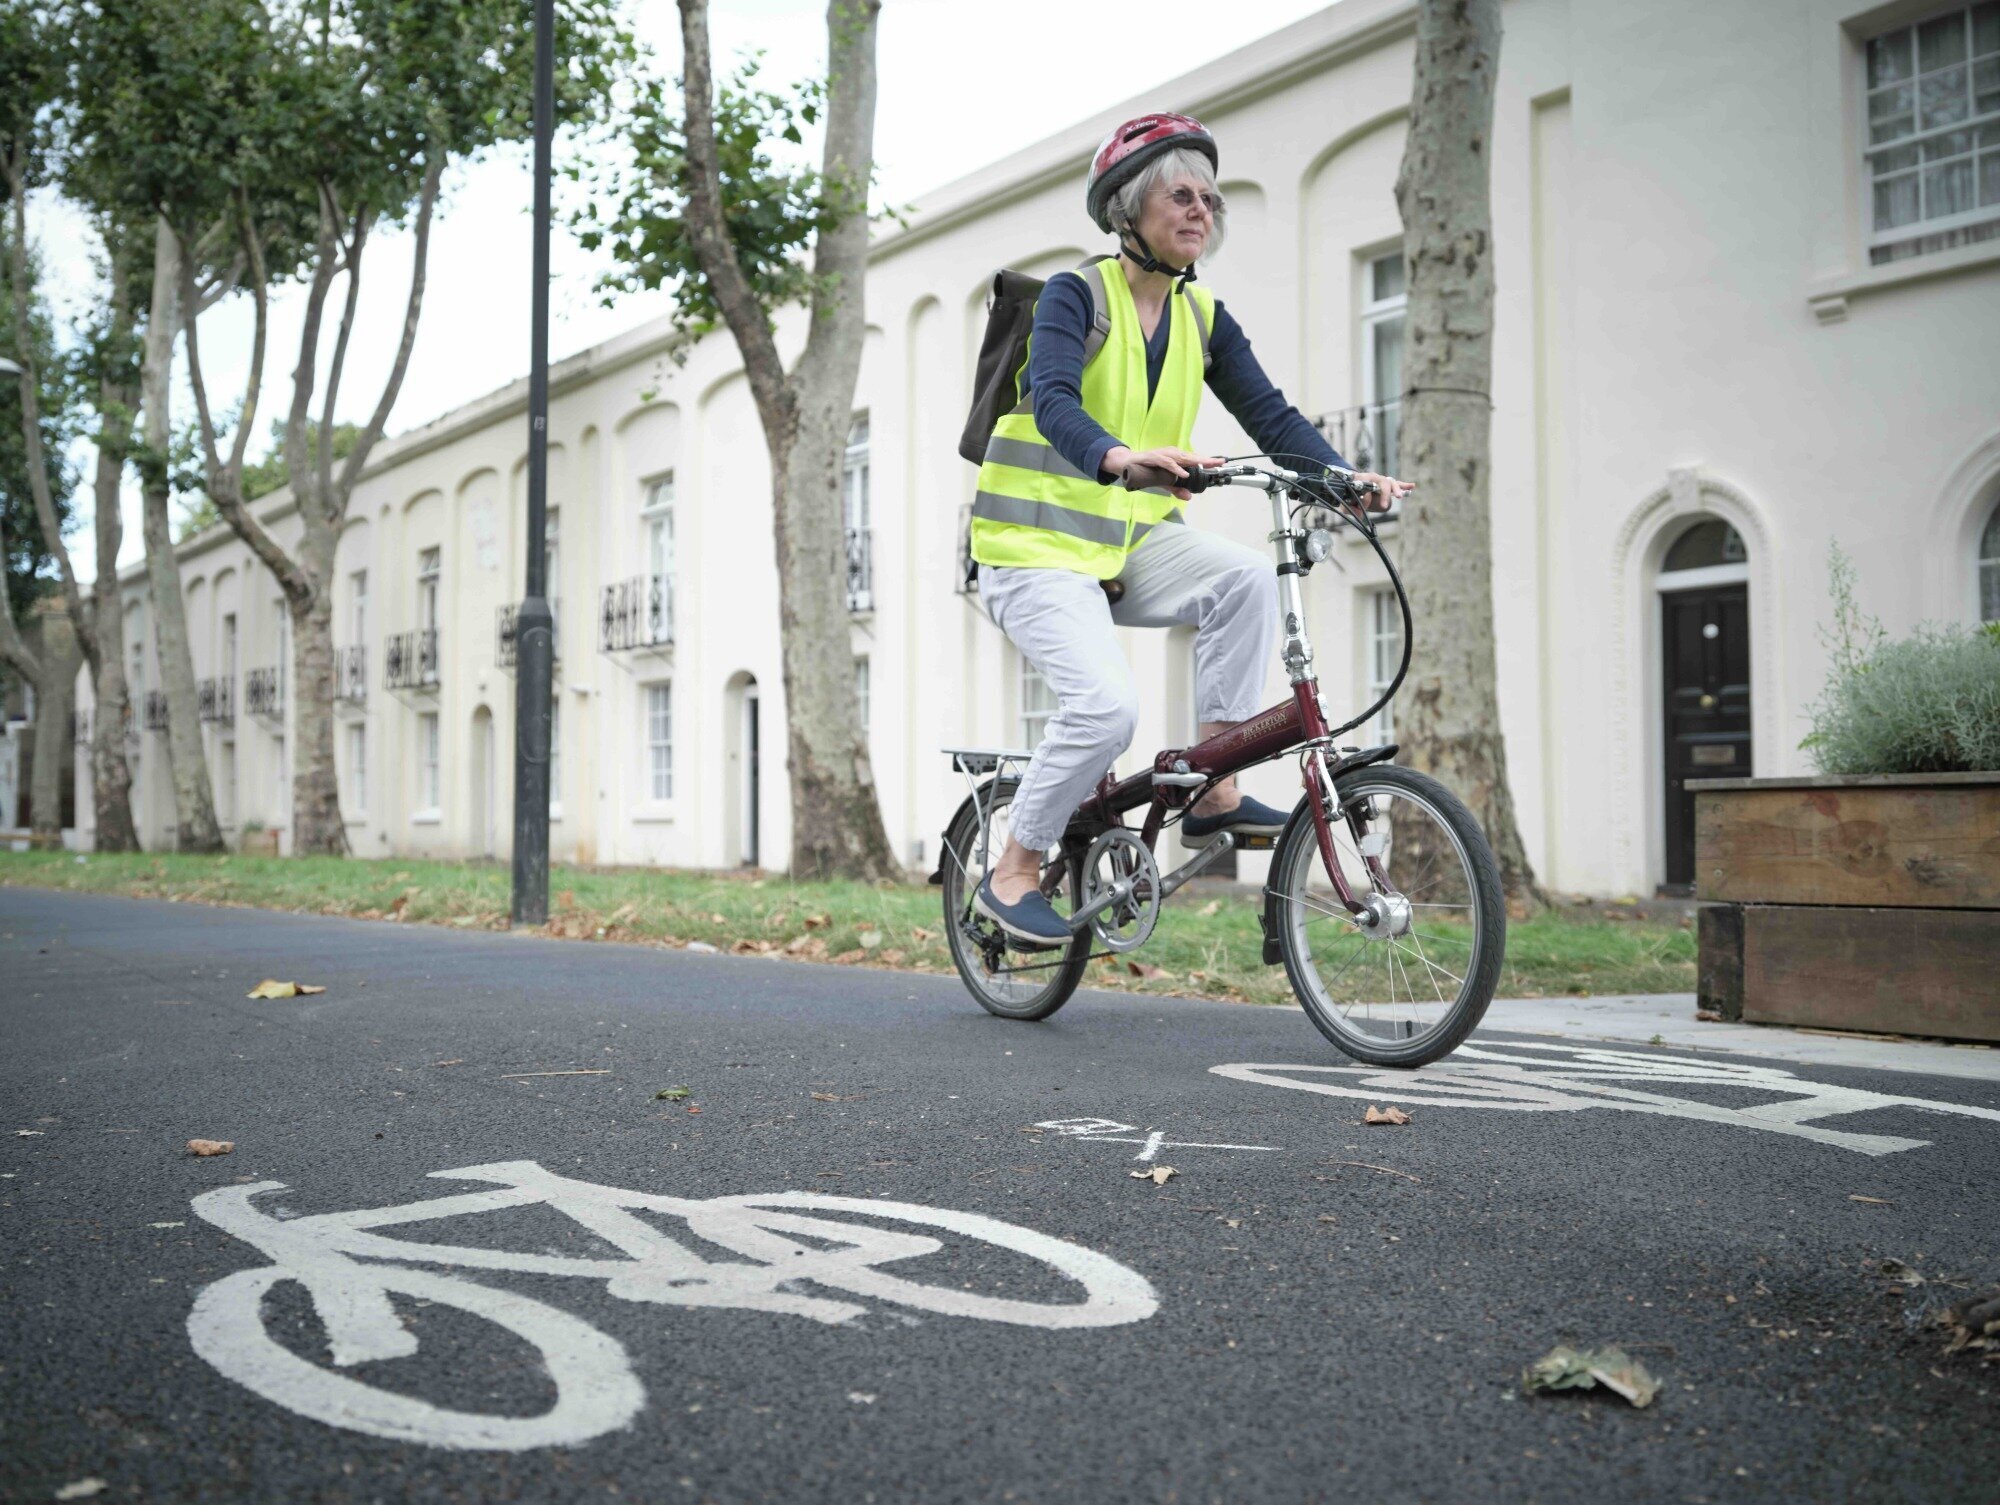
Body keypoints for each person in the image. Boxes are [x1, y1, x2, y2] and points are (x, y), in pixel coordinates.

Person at [969, 111, 1411, 946]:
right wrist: (1119, 458)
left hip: (1128, 541)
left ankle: (1214, 789)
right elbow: (1054, 400)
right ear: (1126, 210)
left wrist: (1343, 480)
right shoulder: (1075, 295)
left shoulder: (1202, 315)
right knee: (1106, 709)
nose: (1201, 210)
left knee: (1244, 578)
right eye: (1181, 195)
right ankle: (1014, 869)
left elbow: (1270, 415)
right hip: (1031, 548)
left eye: (1211, 199)